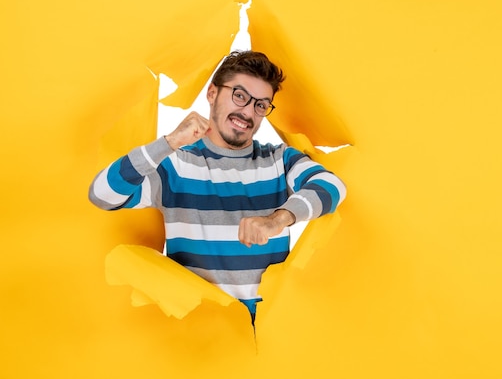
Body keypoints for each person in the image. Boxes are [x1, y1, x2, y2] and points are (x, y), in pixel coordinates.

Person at [89, 50, 347, 323]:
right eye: (239, 95)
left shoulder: (279, 159)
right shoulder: (176, 165)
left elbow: (332, 185)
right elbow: (102, 194)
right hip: (201, 331)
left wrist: (277, 220)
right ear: (212, 93)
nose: (248, 112)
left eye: (261, 105)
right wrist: (169, 142)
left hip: (272, 332)